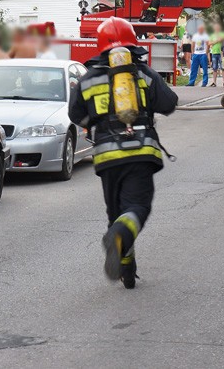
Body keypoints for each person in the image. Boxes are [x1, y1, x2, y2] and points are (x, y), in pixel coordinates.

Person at [69, 17, 178, 289]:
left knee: (116, 211)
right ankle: (117, 235)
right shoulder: (142, 73)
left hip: (107, 158)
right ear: (132, 45)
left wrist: (97, 125)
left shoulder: (88, 78)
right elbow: (170, 103)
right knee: (137, 208)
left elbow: (75, 114)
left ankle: (127, 270)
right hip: (140, 153)